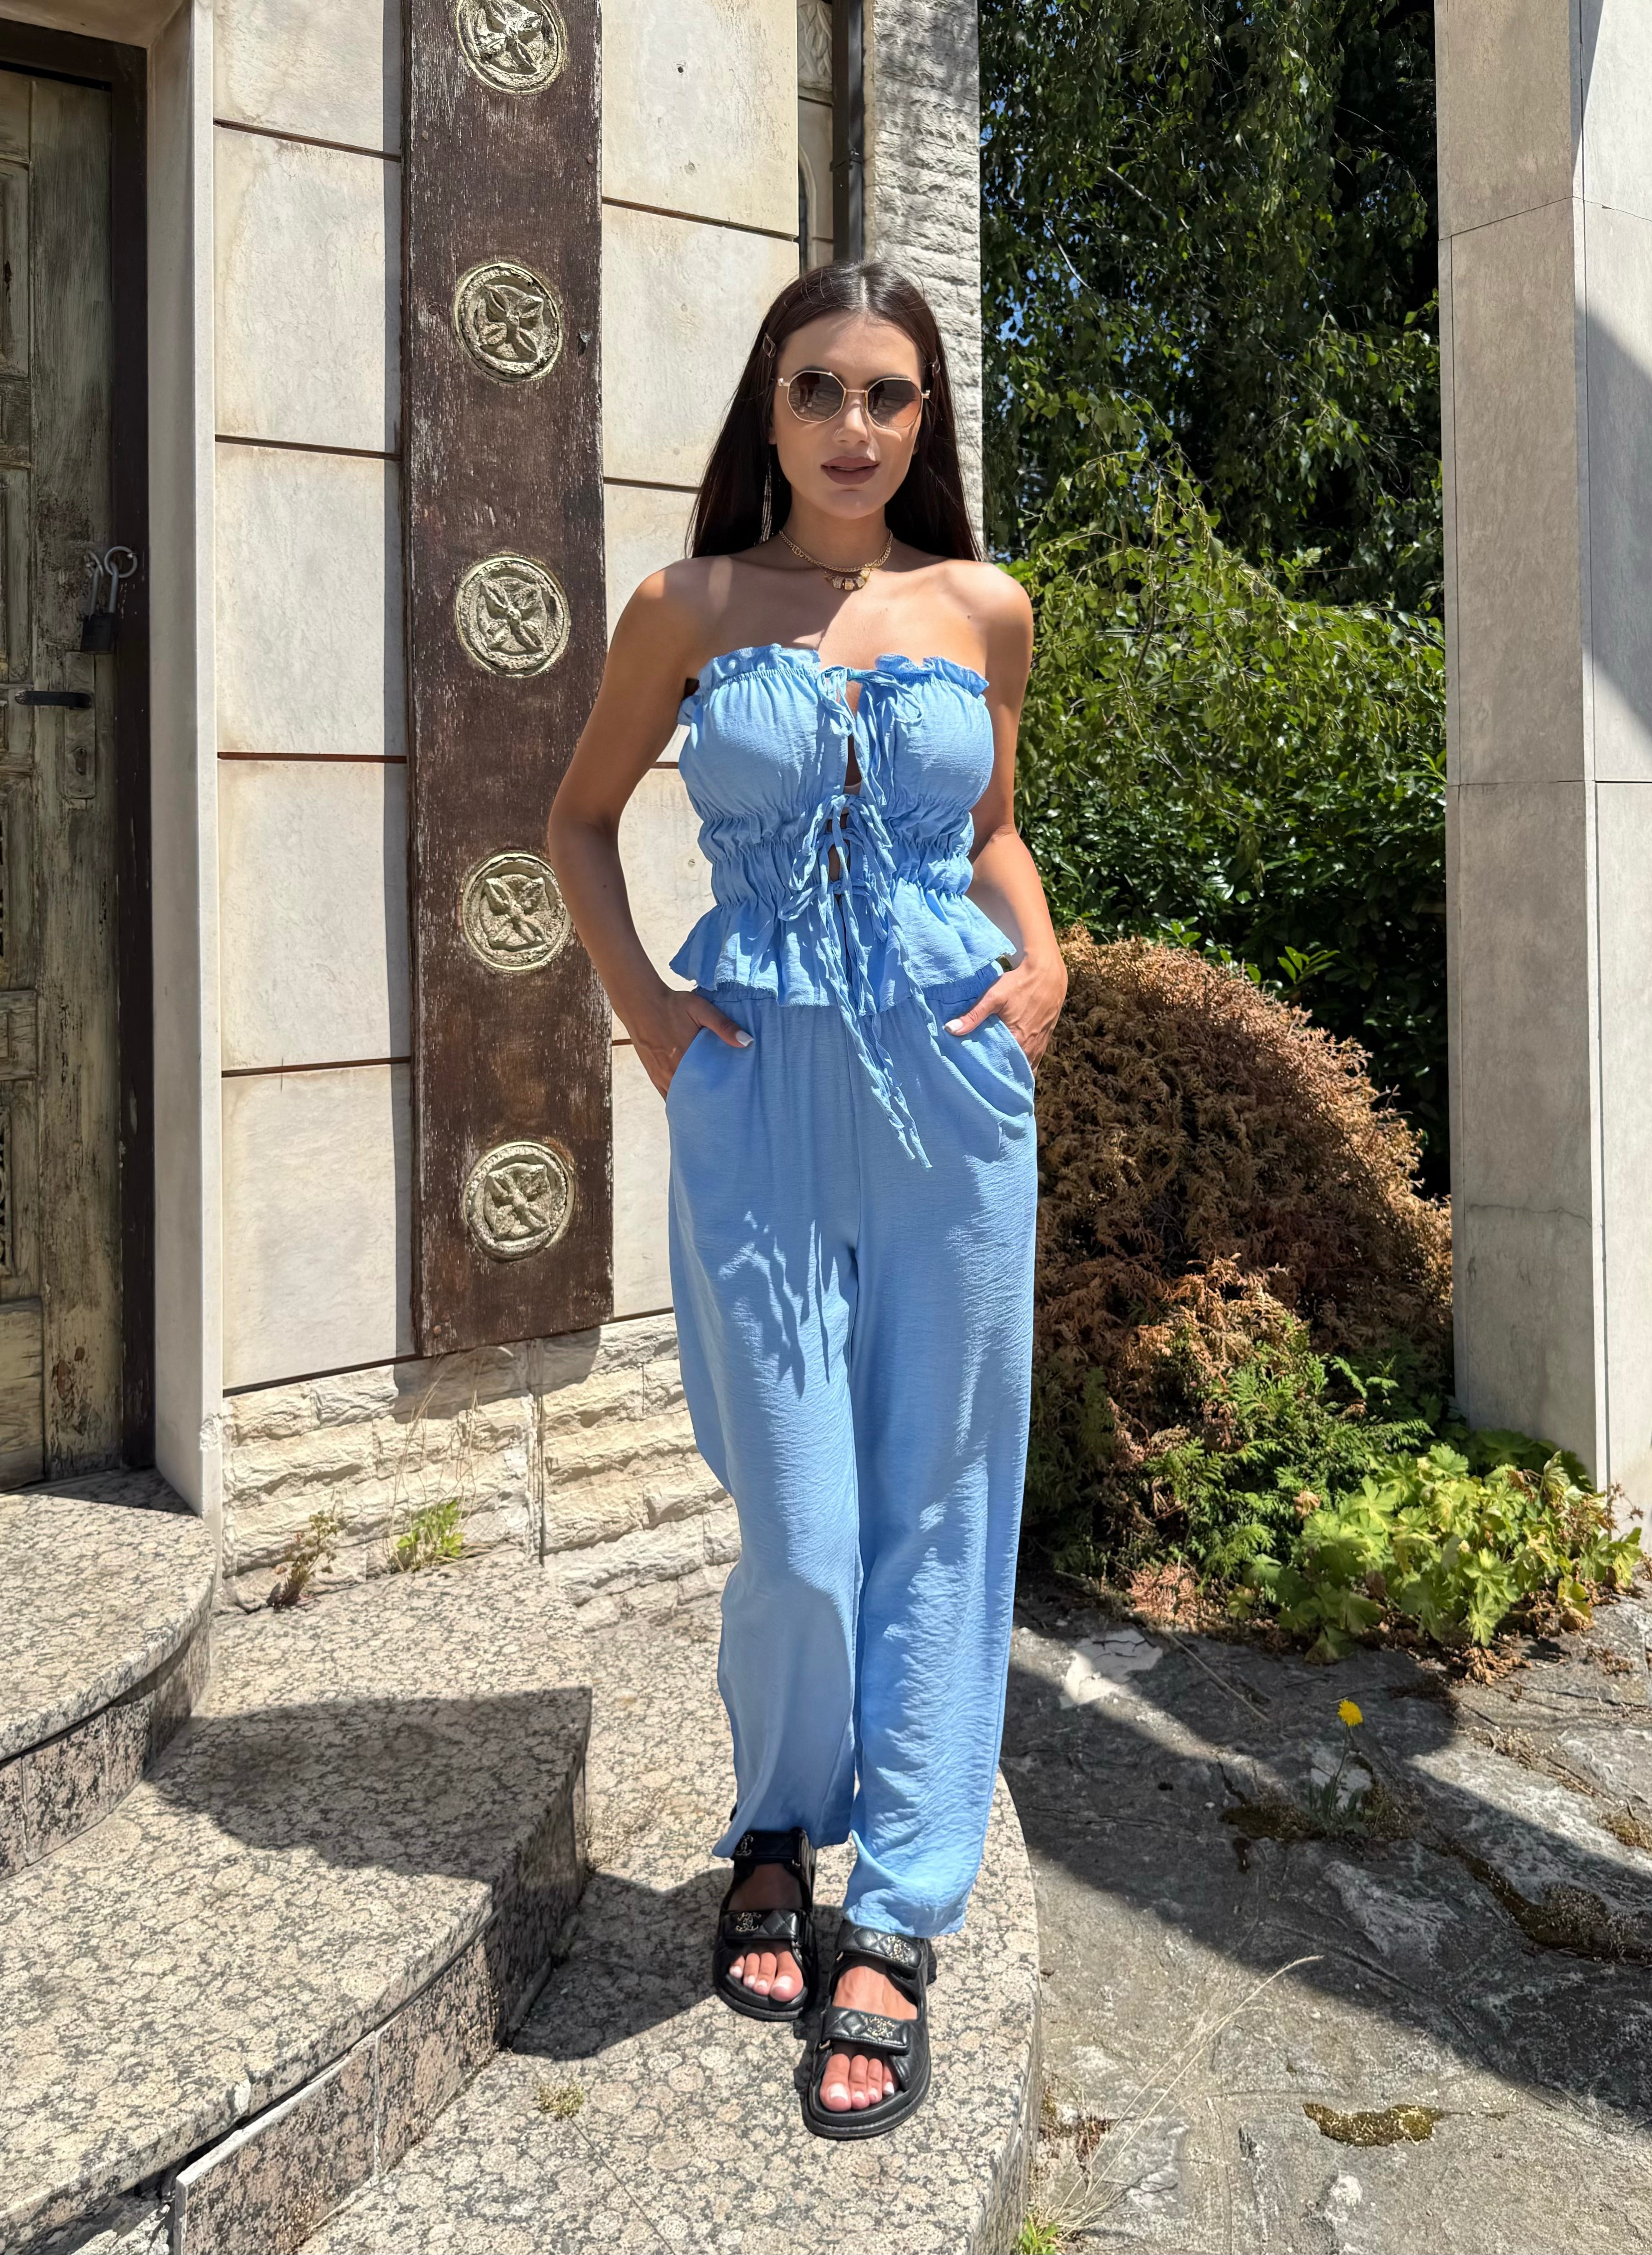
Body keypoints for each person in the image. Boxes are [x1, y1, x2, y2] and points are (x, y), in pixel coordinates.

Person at [547, 260, 1067, 2139]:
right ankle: (778, 1809)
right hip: (757, 1085)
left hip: (952, 1090)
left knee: (944, 1496)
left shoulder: (983, 607)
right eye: (821, 389)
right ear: (768, 409)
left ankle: (898, 1907)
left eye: (890, 394)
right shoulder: (686, 607)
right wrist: (652, 1017)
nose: (857, 426)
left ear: (927, 420)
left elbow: (991, 829)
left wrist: (1044, 962)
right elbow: (577, 820)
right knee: (802, 1515)